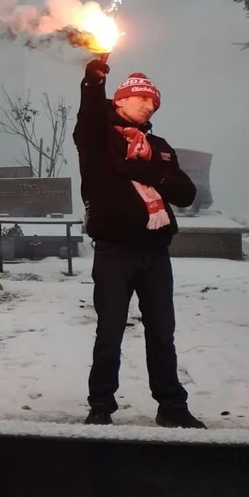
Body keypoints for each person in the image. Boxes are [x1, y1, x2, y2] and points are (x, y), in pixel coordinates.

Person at [74, 60, 205, 428]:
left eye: (154, 103)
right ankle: (101, 405)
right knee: (110, 331)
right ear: (120, 100)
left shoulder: (159, 147)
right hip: (115, 251)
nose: (149, 106)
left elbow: (185, 193)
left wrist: (147, 171)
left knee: (163, 332)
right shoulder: (100, 140)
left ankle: (172, 406)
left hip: (156, 254)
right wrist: (93, 82)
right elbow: (90, 118)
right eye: (142, 99)